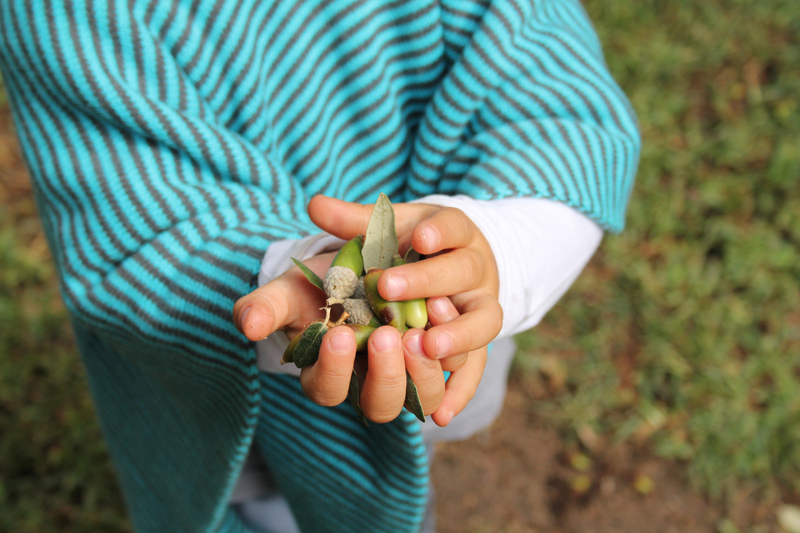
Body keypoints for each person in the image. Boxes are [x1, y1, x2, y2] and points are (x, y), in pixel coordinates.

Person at [0, 0, 640, 531]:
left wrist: (491, 246)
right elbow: (130, 211)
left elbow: (558, 101)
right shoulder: (70, 18)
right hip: (244, 384)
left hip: (449, 320)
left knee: (416, 433)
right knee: (270, 499)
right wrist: (298, 268)